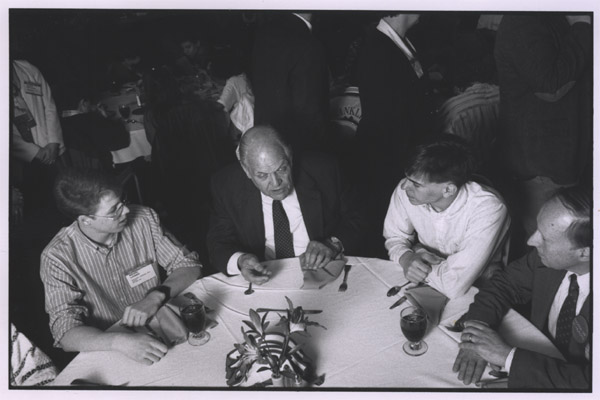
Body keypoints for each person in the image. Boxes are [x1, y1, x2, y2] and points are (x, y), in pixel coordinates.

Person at [40, 169, 202, 365]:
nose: (125, 211)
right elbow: (64, 331)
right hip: (111, 347)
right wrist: (118, 342)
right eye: (113, 211)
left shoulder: (144, 218)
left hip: (164, 326)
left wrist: (155, 297)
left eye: (122, 201)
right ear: (85, 220)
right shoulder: (57, 257)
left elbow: (189, 265)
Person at [453, 185, 591, 389]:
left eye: (545, 238)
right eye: (538, 229)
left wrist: (507, 356)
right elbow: (503, 285)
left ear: (585, 253)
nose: (531, 241)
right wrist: (478, 336)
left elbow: (589, 382)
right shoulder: (543, 259)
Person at [207, 125, 364, 283]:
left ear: (290, 156)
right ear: (246, 169)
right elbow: (218, 243)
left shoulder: (325, 169)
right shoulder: (227, 186)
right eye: (262, 175)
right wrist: (241, 260)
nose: (276, 183)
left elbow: (360, 218)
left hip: (323, 273)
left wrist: (333, 244)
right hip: (266, 278)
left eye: (282, 169)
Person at [494, 15, 592, 238]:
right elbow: (550, 87)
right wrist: (583, 25)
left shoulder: (551, 16)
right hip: (541, 162)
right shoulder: (523, 21)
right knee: (549, 241)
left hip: (564, 155)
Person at [383, 136, 510, 299]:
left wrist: (415, 252)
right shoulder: (407, 191)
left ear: (448, 190)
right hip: (424, 278)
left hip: (478, 286)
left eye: (416, 184)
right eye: (407, 178)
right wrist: (406, 257)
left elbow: (454, 285)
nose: (404, 186)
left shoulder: (489, 208)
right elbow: (394, 237)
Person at [355, 13, 431, 257]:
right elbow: (387, 115)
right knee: (387, 225)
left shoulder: (401, 42)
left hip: (403, 151)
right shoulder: (377, 49)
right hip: (387, 155)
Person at [251, 12, 329, 153]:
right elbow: (310, 114)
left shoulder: (264, 32)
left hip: (266, 142)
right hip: (298, 150)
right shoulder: (309, 44)